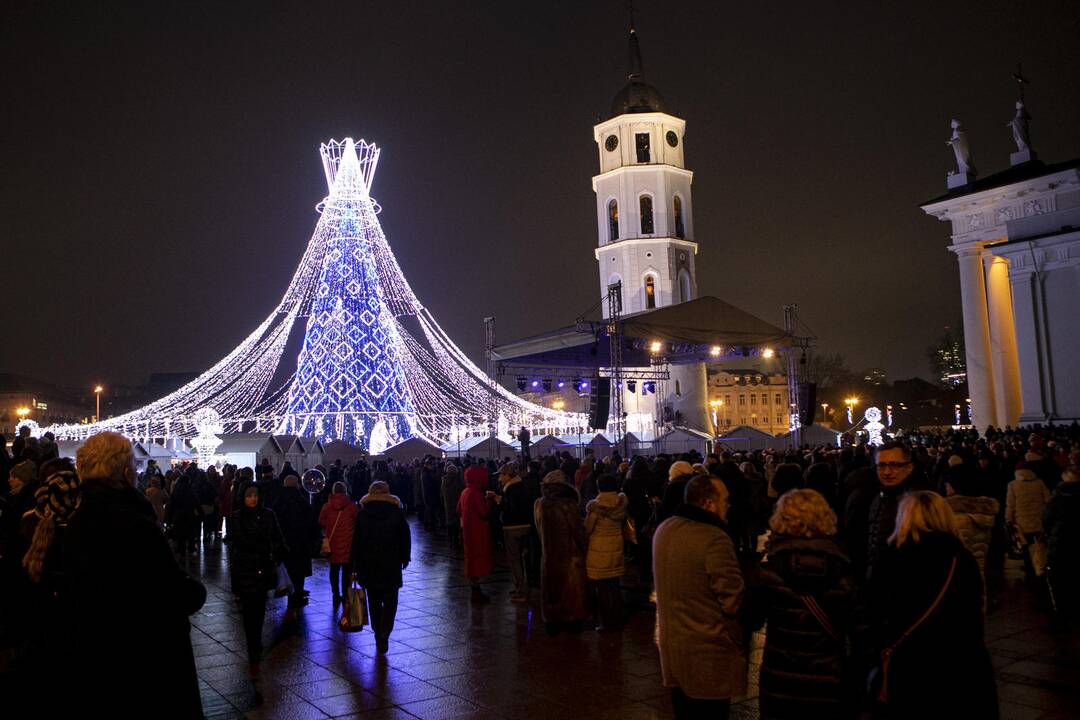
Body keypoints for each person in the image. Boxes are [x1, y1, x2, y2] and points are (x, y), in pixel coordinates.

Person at [62, 432, 206, 717]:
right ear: (125, 472)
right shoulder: (135, 525)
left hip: (94, 658)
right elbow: (172, 593)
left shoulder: (76, 521)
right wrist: (195, 590)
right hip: (146, 660)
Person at [867, 491, 997, 718]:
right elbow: (974, 611)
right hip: (956, 661)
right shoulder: (960, 557)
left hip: (908, 663)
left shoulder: (892, 555)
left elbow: (875, 610)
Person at [748, 489, 856, 719]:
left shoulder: (768, 572)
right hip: (829, 678)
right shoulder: (844, 571)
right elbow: (860, 629)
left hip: (781, 676)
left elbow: (751, 619)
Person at [653, 474, 745, 719]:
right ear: (708, 504)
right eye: (724, 500)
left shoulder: (664, 529)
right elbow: (732, 598)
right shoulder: (714, 538)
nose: (728, 505)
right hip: (707, 650)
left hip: (673, 647)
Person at [229, 482, 286, 683]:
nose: (253, 499)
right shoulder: (237, 517)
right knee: (249, 610)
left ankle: (255, 642)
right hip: (246, 568)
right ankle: (253, 644)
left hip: (262, 568)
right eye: (249, 496)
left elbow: (278, 538)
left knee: (259, 608)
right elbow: (239, 540)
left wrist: (276, 554)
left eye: (255, 495)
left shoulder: (268, 515)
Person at [353, 480, 411, 653]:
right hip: (391, 562)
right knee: (391, 600)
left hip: (369, 563)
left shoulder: (363, 515)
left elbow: (357, 541)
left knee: (374, 600)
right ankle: (386, 631)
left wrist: (355, 563)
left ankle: (378, 632)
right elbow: (405, 537)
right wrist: (404, 557)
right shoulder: (396, 513)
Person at [534, 470, 589, 635]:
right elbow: (578, 532)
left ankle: (552, 621)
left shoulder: (539, 504)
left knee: (551, 588)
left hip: (548, 555)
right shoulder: (568, 505)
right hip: (570, 555)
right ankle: (573, 620)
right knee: (572, 590)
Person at [584, 473, 628, 631]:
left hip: (599, 549)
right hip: (616, 546)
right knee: (614, 586)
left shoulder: (596, 506)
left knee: (601, 587)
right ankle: (618, 617)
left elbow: (587, 529)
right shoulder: (621, 503)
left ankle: (606, 621)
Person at [1043, 452, 1079, 627]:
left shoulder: (1058, 497)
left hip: (1060, 543)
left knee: (1060, 580)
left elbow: (1047, 519)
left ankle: (1063, 614)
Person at [276, 474, 318, 616]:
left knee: (287, 569)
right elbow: (311, 523)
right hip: (300, 543)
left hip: (284, 543)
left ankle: (288, 593)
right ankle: (297, 596)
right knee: (298, 573)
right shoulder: (302, 501)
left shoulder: (279, 501)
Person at [1007, 463, 1051, 578]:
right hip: (1038, 521)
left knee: (1025, 547)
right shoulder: (1039, 483)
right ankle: (1040, 567)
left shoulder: (1013, 485)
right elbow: (1048, 500)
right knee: (1039, 546)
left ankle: (1029, 570)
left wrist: (1008, 519)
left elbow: (1010, 505)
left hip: (1022, 523)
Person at [496, 463, 533, 601]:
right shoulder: (523, 486)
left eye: (501, 475)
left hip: (512, 527)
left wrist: (500, 501)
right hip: (526, 525)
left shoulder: (510, 489)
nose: (500, 478)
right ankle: (525, 586)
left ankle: (521, 589)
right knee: (524, 557)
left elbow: (511, 508)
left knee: (515, 559)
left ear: (508, 475)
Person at [458, 465, 495, 602]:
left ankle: (475, 588)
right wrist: (490, 501)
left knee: (471, 559)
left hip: (468, 531)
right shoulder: (476, 493)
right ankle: (476, 591)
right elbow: (484, 512)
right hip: (477, 530)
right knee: (478, 558)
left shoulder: (465, 492)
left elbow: (459, 509)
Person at [319, 481, 357, 604]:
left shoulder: (326, 506)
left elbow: (321, 522)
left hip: (332, 542)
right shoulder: (351, 506)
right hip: (348, 543)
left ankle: (335, 593)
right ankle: (346, 593)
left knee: (334, 570)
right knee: (347, 571)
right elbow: (356, 521)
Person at [166, 470, 202, 562]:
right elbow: (196, 502)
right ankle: (191, 551)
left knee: (180, 536)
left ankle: (181, 554)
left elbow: (171, 505)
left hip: (178, 516)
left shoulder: (176, 490)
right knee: (190, 535)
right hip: (190, 515)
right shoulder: (191, 490)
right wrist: (201, 513)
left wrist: (169, 518)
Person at [441, 463, 465, 549]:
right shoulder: (456, 481)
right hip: (456, 504)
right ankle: (455, 543)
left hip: (447, 505)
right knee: (456, 524)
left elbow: (441, 494)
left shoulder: (444, 480)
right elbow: (460, 490)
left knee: (449, 523)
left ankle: (450, 542)